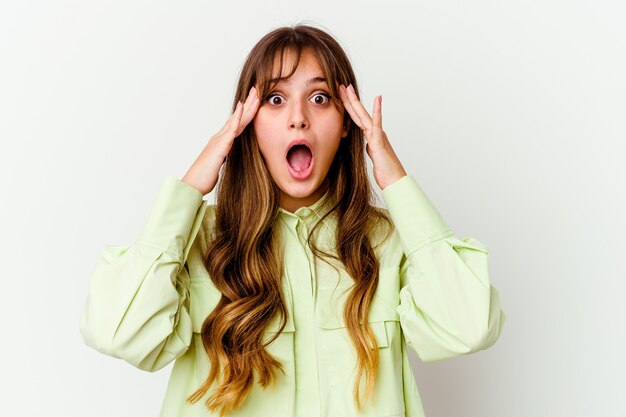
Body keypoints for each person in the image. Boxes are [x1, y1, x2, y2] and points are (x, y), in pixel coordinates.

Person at [79, 23, 506, 417]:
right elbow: (119, 333)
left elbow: (467, 327)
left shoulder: (388, 241)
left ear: (345, 122)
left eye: (319, 98)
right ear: (248, 123)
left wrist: (393, 176)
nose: (298, 116)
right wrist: (192, 187)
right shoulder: (200, 241)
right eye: (275, 99)